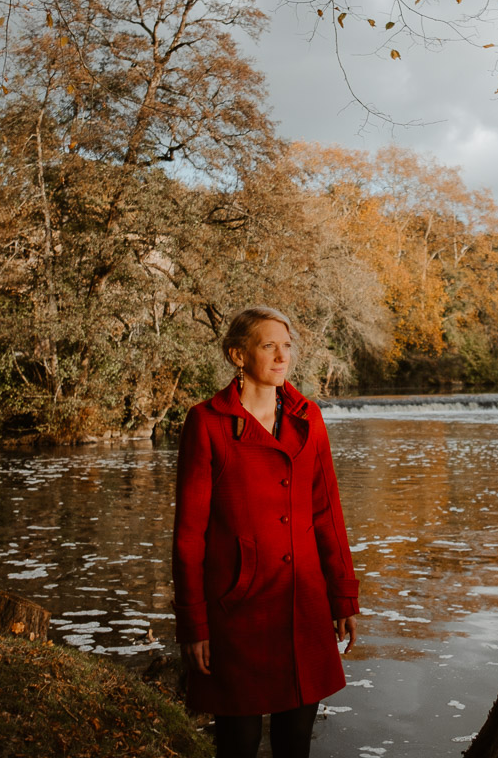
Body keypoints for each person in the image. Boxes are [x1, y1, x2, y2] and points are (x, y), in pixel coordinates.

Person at [172, 306, 361, 758]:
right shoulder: (207, 422)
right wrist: (193, 623)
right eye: (268, 345)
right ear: (238, 355)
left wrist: (343, 595)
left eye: (288, 346)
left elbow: (327, 514)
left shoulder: (308, 417)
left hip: (305, 604)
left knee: (295, 744)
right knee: (237, 745)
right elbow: (189, 534)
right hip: (238, 611)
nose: (282, 356)